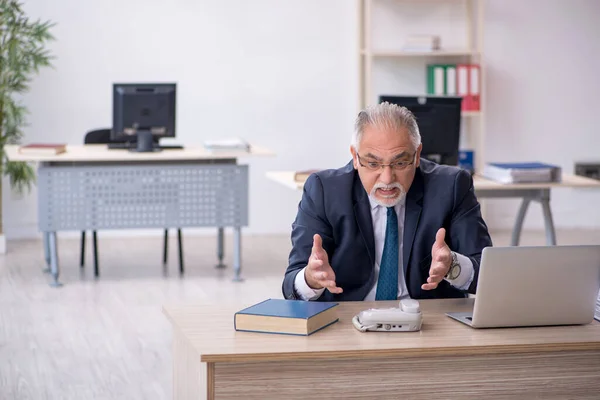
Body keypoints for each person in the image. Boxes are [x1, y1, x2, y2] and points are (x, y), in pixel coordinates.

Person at [282, 102, 492, 302]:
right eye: (373, 163)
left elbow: (487, 272)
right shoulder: (324, 190)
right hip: (349, 318)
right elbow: (291, 284)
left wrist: (453, 266)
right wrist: (311, 278)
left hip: (427, 318)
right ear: (355, 157)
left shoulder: (452, 186)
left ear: (417, 155)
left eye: (400, 163)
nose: (387, 179)